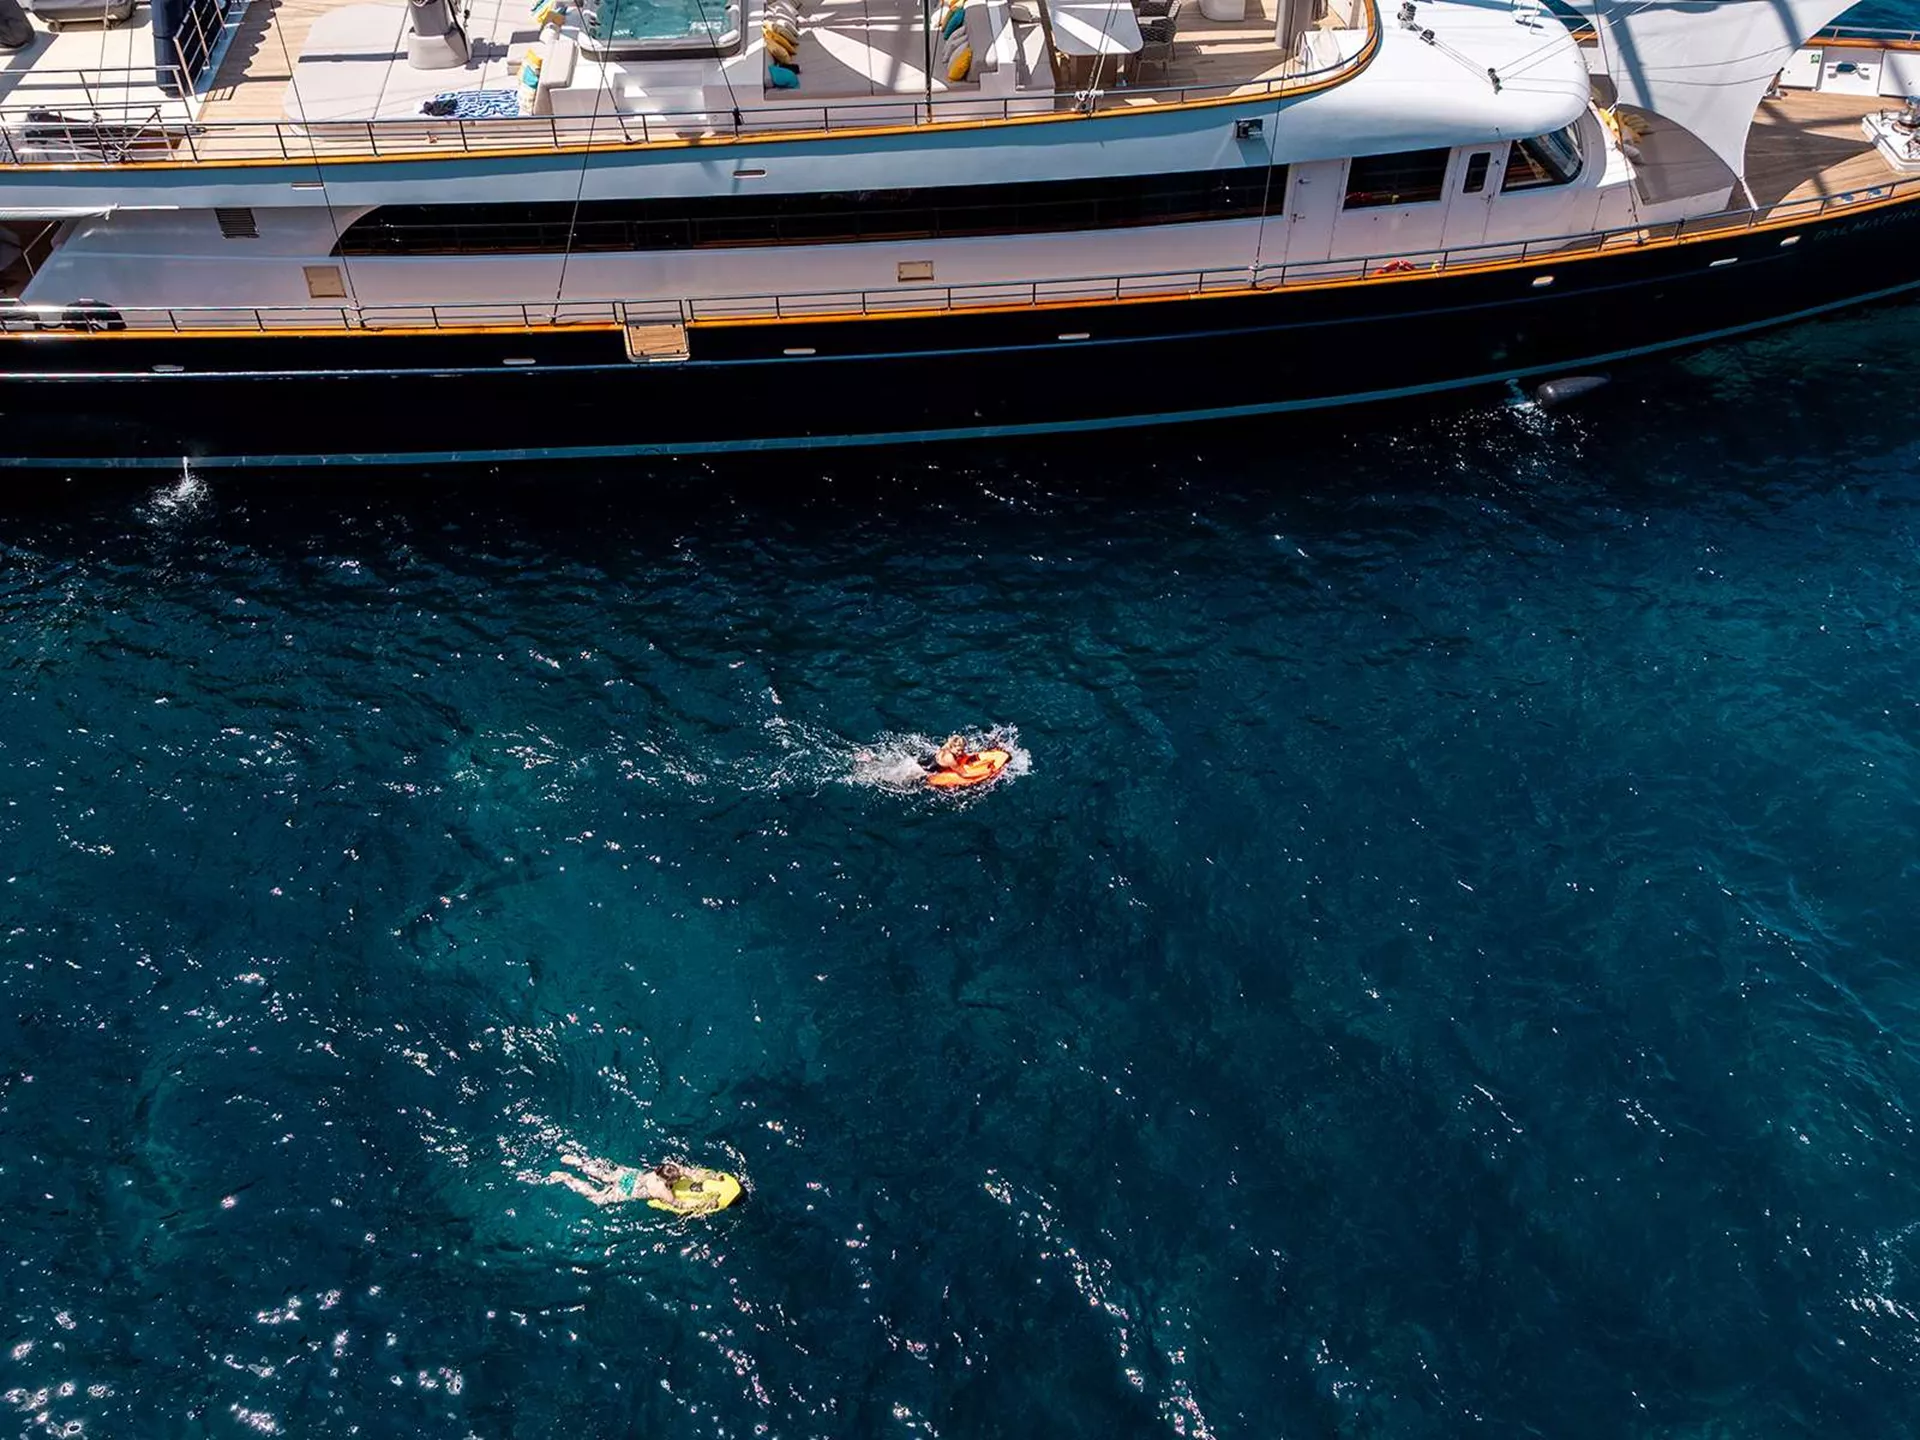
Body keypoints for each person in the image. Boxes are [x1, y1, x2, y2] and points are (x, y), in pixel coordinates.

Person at [546, 1152, 683, 1206]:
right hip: (630, 1189)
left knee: (605, 1176)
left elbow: (682, 1170)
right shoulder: (662, 1190)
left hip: (631, 1175)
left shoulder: (661, 1170)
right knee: (597, 1198)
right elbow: (676, 1203)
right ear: (666, 1181)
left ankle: (579, 1162)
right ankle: (567, 1178)